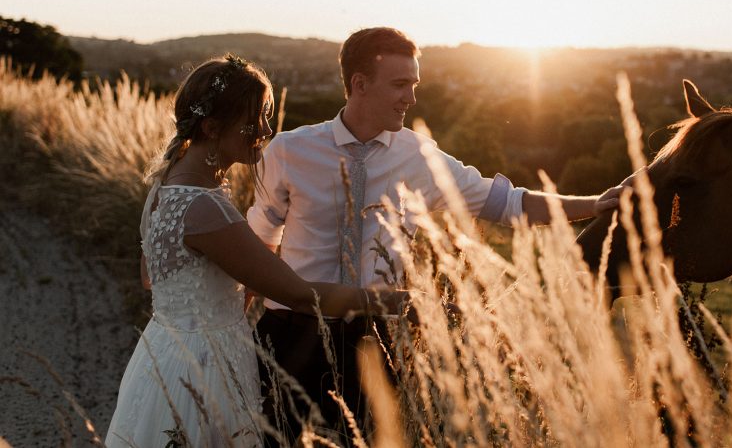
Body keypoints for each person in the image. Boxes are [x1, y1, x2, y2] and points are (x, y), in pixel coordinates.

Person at [248, 27, 622, 443]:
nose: (411, 97)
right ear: (359, 84)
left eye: (414, 84)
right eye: (400, 84)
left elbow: (508, 203)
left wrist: (594, 203)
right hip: (288, 336)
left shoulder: (419, 157)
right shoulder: (288, 151)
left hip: (374, 345)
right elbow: (259, 243)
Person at [105, 55, 409, 448]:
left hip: (164, 352)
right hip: (205, 367)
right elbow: (299, 295)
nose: (266, 130)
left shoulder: (165, 188)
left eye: (266, 115)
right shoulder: (205, 208)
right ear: (212, 127)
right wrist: (393, 301)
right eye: (254, 120)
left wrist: (230, 285)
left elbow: (153, 277)